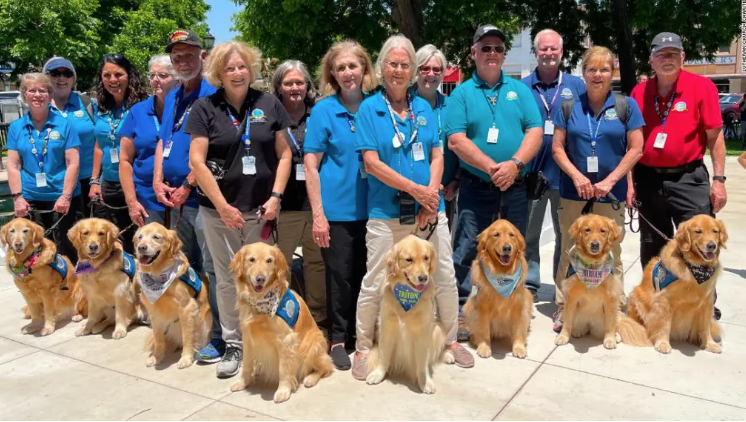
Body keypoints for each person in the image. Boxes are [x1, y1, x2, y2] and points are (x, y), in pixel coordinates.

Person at [351, 34, 474, 381]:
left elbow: (438, 154)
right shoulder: (369, 109)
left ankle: (449, 341)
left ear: (413, 71)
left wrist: (430, 197)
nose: (399, 70)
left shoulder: (424, 108)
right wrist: (416, 191)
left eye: (405, 65)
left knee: (445, 277)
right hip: (386, 215)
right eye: (393, 64)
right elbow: (372, 163)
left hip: (428, 214)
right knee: (375, 281)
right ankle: (363, 348)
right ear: (381, 68)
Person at [187, 40, 292, 379]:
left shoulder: (269, 103)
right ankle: (234, 342)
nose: (237, 72)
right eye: (230, 68)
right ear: (219, 72)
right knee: (228, 278)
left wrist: (276, 196)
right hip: (219, 213)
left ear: (251, 69)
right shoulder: (205, 107)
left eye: (242, 66)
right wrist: (223, 206)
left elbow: (286, 154)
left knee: (266, 277)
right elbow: (196, 162)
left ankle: (264, 334)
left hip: (261, 211)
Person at [444, 25, 543, 341]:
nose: (492, 53)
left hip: (515, 187)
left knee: (512, 249)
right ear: (473, 52)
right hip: (476, 187)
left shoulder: (520, 91)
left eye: (498, 48)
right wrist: (491, 167)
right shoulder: (460, 94)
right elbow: (456, 140)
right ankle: (462, 311)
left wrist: (514, 165)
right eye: (485, 48)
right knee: (467, 247)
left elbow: (535, 131)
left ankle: (512, 309)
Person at [630, 32, 727, 320]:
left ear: (683, 57)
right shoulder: (639, 92)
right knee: (653, 245)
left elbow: (715, 137)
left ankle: (703, 304)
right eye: (661, 54)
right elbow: (631, 143)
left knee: (700, 244)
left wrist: (719, 181)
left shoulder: (702, 87)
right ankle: (656, 299)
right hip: (648, 179)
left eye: (673, 53)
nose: (667, 59)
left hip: (689, 178)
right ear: (651, 60)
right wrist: (629, 185)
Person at [551, 46, 644, 332]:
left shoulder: (626, 106)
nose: (598, 75)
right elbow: (557, 147)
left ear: (612, 73)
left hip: (610, 194)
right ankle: (564, 306)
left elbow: (636, 148)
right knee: (570, 249)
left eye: (604, 69)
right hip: (573, 191)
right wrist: (577, 176)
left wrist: (612, 180)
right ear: (584, 73)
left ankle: (613, 305)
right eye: (592, 69)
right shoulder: (568, 106)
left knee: (611, 251)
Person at [304, 40, 377, 371]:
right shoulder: (323, 110)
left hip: (376, 208)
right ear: (332, 74)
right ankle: (337, 338)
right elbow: (310, 165)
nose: (348, 72)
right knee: (340, 278)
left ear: (364, 68)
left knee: (368, 277)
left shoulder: (377, 106)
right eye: (341, 67)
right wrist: (318, 215)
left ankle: (362, 336)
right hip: (336, 212)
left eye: (353, 65)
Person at [153, 29, 222, 364]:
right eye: (176, 57)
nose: (182, 61)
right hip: (173, 198)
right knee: (185, 268)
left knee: (210, 268)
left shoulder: (214, 95)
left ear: (202, 57)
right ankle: (191, 330)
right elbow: (161, 141)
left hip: (201, 200)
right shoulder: (173, 95)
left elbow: (214, 151)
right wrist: (157, 179)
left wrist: (189, 185)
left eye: (188, 55)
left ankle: (220, 335)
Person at [520, 29, 587, 302]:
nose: (548, 53)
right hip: (532, 175)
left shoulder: (577, 85)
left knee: (565, 236)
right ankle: (529, 285)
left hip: (565, 175)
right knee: (529, 234)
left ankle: (563, 286)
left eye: (553, 49)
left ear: (561, 52)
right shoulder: (522, 87)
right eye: (543, 49)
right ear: (535, 52)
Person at [271, 60, 327, 326]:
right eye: (288, 83)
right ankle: (281, 317)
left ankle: (316, 318)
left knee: (315, 265)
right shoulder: (270, 113)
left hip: (315, 204)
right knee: (280, 265)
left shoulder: (319, 113)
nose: (294, 87)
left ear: (307, 86)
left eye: (299, 82)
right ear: (279, 87)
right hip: (285, 205)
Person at [6, 73, 83, 260]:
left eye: (42, 90)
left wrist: (65, 196)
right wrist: (17, 197)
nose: (37, 95)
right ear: (24, 94)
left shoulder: (64, 124)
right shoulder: (16, 127)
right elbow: (13, 165)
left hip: (63, 199)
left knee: (68, 251)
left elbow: (73, 163)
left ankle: (70, 288)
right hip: (31, 200)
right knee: (35, 253)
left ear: (49, 95)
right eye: (32, 90)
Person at [89, 54, 148, 253]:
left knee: (140, 240)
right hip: (109, 183)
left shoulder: (142, 107)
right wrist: (95, 180)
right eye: (107, 75)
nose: (113, 80)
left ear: (129, 76)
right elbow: (99, 145)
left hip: (135, 183)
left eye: (118, 74)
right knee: (115, 240)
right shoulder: (102, 107)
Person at [119, 54, 178, 227]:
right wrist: (132, 203)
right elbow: (124, 160)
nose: (155, 80)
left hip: (183, 199)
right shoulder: (138, 111)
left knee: (183, 252)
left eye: (163, 75)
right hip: (147, 199)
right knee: (152, 251)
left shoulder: (191, 110)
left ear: (178, 79)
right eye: (152, 76)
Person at [413, 44, 459, 230]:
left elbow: (460, 146)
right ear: (416, 71)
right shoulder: (404, 106)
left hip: (447, 192)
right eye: (425, 68)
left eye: (436, 69)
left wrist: (456, 180)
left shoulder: (452, 106)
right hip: (414, 191)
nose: (431, 74)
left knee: (441, 250)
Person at [43, 57, 96, 215]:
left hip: (89, 182)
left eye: (67, 73)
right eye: (55, 73)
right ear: (46, 77)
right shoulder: (40, 105)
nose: (61, 78)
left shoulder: (87, 104)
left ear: (73, 79)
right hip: (55, 183)